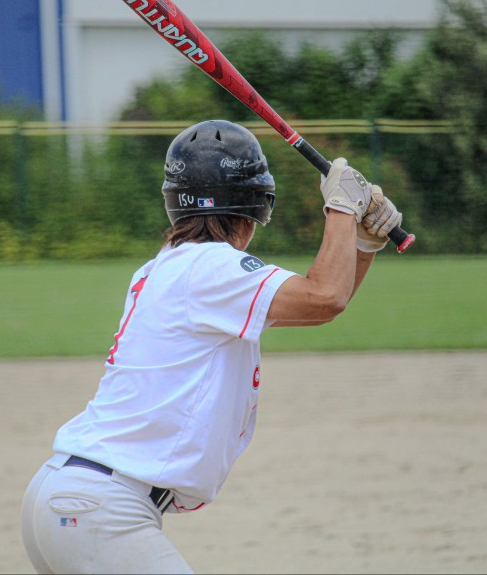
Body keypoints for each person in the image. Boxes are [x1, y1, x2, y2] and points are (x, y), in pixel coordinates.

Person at [20, 120, 403, 574]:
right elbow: (325, 298)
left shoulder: (171, 269)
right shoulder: (212, 269)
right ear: (256, 204)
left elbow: (315, 302)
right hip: (102, 510)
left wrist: (359, 243)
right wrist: (341, 206)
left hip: (67, 499)